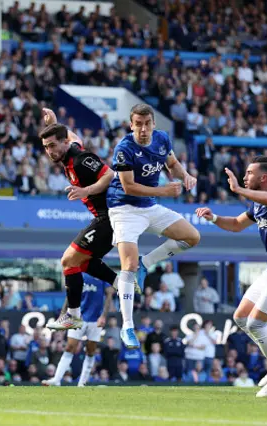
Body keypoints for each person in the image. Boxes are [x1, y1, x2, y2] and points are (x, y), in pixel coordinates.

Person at [196, 156, 267, 397]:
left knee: (256, 323)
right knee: (241, 318)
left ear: (264, 178)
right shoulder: (257, 205)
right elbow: (237, 224)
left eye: (249, 173)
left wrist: (238, 190)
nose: (245, 176)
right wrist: (214, 218)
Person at [107, 104, 200, 348]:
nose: (143, 128)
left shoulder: (162, 139)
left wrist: (185, 175)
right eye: (138, 124)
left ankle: (146, 265)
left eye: (147, 123)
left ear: (154, 124)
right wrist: (164, 191)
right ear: (131, 124)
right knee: (128, 265)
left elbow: (172, 164)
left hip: (149, 206)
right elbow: (128, 187)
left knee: (192, 237)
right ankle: (127, 327)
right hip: (124, 208)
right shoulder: (124, 149)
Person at [39, 109, 119, 331]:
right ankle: (122, 284)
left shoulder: (81, 160)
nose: (49, 151)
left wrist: (87, 191)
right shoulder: (68, 151)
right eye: (46, 147)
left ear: (64, 143)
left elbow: (109, 175)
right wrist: (54, 123)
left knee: (68, 261)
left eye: (53, 145)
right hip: (107, 218)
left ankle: (73, 315)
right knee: (82, 262)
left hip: (110, 217)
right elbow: (74, 137)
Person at [42, 273, 114, 387]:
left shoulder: (102, 273)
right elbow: (70, 293)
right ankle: (57, 379)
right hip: (77, 316)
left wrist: (104, 316)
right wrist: (63, 313)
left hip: (95, 319)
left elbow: (109, 294)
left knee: (91, 350)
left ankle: (82, 382)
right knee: (70, 347)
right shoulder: (80, 275)